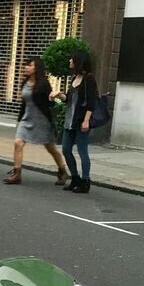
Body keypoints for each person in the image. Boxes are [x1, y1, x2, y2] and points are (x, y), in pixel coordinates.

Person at [3, 57, 68, 186]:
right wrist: (20, 118)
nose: (26, 67)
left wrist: (54, 97)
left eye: (29, 65)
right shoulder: (25, 83)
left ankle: (62, 171)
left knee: (51, 148)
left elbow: (50, 101)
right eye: (26, 65)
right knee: (18, 143)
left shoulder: (43, 84)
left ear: (36, 68)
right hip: (27, 118)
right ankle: (17, 173)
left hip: (42, 120)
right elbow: (24, 103)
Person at [50, 50, 98, 193]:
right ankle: (75, 178)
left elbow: (92, 102)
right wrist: (59, 95)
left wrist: (86, 121)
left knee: (83, 151)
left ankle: (85, 180)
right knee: (66, 149)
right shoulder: (74, 78)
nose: (69, 61)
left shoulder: (89, 79)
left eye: (72, 59)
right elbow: (68, 100)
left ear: (78, 61)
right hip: (69, 121)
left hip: (81, 121)